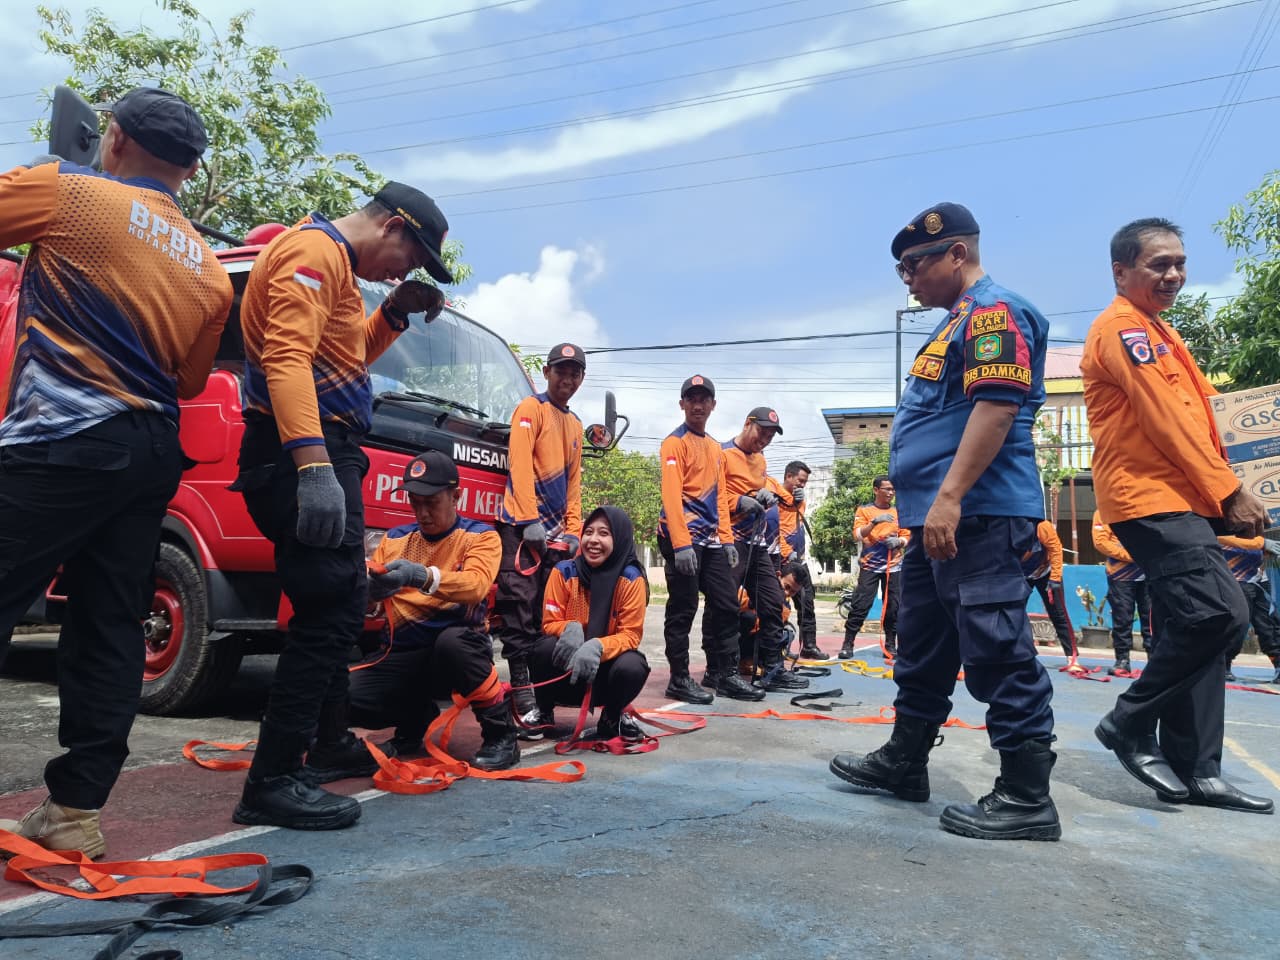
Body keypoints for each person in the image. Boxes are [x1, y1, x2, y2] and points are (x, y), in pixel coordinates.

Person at [0, 88, 233, 859]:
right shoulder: (207, 268)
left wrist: (44, 172)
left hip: (65, 438)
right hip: (149, 451)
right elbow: (193, 377)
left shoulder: (69, 193)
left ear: (116, 137)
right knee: (109, 626)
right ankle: (73, 813)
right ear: (190, 171)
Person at [830, 202, 1062, 841]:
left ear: (956, 253)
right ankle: (905, 762)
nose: (907, 278)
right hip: (935, 521)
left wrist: (952, 496)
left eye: (913, 265)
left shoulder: (993, 312)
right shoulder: (953, 324)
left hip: (976, 515)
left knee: (996, 649)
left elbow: (996, 406)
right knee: (925, 646)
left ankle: (1025, 795)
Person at [230, 181, 452, 830]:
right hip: (306, 452)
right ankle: (271, 779)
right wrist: (315, 466)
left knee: (337, 600)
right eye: (407, 262)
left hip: (320, 449)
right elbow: (288, 361)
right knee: (331, 608)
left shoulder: (335, 269)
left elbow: (340, 355)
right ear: (393, 228)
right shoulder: (315, 252)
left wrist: (392, 316)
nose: (399, 273)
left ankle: (326, 743)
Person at [1083, 217, 1272, 814]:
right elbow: (1168, 420)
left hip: (1184, 499)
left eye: (1179, 263)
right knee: (1221, 614)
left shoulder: (1161, 332)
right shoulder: (1122, 330)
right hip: (1149, 498)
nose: (1173, 275)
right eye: (1158, 264)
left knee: (1196, 626)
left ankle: (1198, 768)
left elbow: (1203, 420)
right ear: (1122, 271)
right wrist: (1230, 491)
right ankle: (1129, 722)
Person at [348, 451, 518, 770]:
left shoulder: (481, 537)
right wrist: (368, 594)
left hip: (455, 653)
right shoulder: (394, 539)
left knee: (453, 644)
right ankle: (413, 724)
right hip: (403, 652)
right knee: (341, 696)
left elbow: (476, 586)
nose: (422, 512)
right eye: (415, 502)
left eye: (431, 502)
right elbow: (370, 606)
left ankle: (502, 734)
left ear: (456, 496)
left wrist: (420, 575)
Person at [495, 343, 584, 727]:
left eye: (575, 373)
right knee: (519, 611)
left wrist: (576, 530)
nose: (567, 379)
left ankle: (545, 693)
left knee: (548, 613)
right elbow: (518, 460)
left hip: (557, 537)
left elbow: (575, 482)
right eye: (561, 371)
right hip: (521, 528)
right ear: (546, 372)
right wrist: (529, 519)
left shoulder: (576, 424)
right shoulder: (531, 409)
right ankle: (521, 692)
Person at [526, 506, 651, 741]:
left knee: (633, 665)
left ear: (620, 539)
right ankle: (543, 711)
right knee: (542, 648)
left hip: (603, 675)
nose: (593, 540)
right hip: (567, 674)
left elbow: (631, 635)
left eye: (604, 533)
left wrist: (597, 646)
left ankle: (613, 717)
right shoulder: (563, 572)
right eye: (589, 532)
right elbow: (549, 623)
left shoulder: (631, 579)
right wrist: (569, 628)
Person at [656, 375, 744, 704]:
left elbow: (721, 498)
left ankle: (724, 673)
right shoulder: (673, 444)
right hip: (682, 540)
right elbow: (671, 496)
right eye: (691, 398)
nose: (697, 404)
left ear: (713, 405)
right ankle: (679, 678)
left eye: (704, 399)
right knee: (684, 606)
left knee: (726, 604)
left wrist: (728, 539)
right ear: (682, 404)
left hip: (711, 541)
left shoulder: (716, 450)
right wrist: (680, 544)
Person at [720, 407, 805, 695]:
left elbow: (771, 500)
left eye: (770, 436)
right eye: (762, 432)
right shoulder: (722, 454)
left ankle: (773, 669)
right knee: (725, 606)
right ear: (747, 423)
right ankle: (722, 672)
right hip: (729, 540)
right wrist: (740, 501)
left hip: (756, 544)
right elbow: (713, 495)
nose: (765, 439)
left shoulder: (761, 462)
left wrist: (763, 498)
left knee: (773, 603)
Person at [838, 477, 908, 660]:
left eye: (893, 489)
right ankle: (848, 642)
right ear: (876, 490)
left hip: (894, 567)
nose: (891, 493)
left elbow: (907, 534)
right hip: (870, 565)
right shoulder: (864, 510)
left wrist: (900, 541)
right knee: (861, 604)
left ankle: (891, 644)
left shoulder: (898, 511)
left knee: (894, 607)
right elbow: (857, 535)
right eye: (887, 489)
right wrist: (874, 522)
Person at [1092, 510, 1155, 674]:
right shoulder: (1104, 512)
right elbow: (1101, 542)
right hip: (1120, 576)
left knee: (1152, 619)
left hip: (1149, 574)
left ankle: (1154, 660)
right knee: (1122, 618)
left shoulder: (1148, 509)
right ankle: (1122, 660)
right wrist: (1131, 556)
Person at [774, 461, 822, 658]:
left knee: (806, 603)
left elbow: (795, 522)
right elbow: (775, 529)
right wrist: (786, 551)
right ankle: (777, 647)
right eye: (800, 481)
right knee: (778, 604)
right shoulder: (774, 498)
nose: (802, 485)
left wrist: (798, 501)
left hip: (798, 560)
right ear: (788, 476)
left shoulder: (798, 500)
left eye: (805, 483)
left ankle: (809, 646)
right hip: (781, 560)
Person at [1216, 535, 1280, 683]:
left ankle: (1278, 662)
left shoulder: (1255, 525)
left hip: (1259, 578)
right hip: (1234, 579)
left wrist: (1264, 548)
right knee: (1237, 624)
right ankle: (1224, 664)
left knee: (1269, 624)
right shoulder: (1222, 522)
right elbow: (1220, 539)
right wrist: (1260, 543)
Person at [1021, 520, 1073, 657]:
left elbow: (1056, 549)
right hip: (1021, 575)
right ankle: (1022, 653)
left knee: (1058, 613)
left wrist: (1055, 578)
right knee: (1014, 613)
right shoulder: (1007, 525)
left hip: (1046, 572)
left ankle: (1072, 656)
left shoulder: (1042, 526)